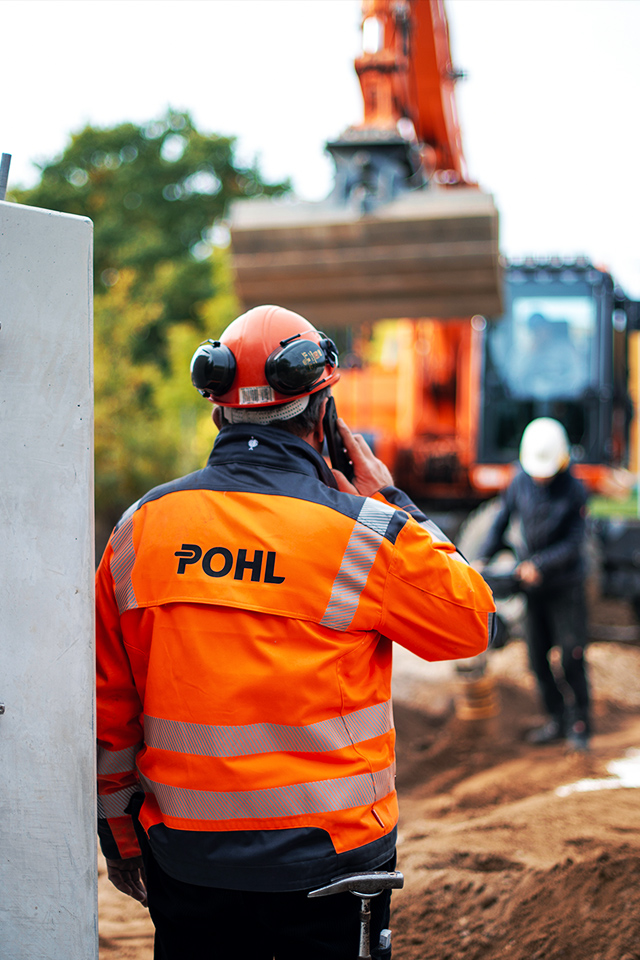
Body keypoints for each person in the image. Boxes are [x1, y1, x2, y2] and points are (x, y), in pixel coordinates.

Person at [96, 304, 495, 960]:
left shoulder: (140, 531)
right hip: (330, 869)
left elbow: (110, 712)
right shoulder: (364, 535)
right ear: (324, 417)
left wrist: (121, 840)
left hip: (190, 866)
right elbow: (472, 622)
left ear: (219, 414)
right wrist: (390, 499)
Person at [477, 417, 591, 751]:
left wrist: (540, 565)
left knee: (571, 656)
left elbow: (574, 543)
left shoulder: (574, 490)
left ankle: (580, 723)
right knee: (537, 659)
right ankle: (556, 718)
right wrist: (481, 559)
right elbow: (500, 522)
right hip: (534, 589)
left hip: (565, 586)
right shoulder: (519, 482)